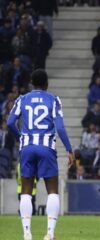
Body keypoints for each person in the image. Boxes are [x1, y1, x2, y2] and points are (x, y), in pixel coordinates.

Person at [7, 69, 74, 240]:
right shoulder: (54, 100)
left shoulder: (22, 99)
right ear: (46, 84)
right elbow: (59, 128)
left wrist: (21, 137)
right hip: (46, 148)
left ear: (32, 83)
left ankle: (27, 232)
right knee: (52, 191)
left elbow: (10, 122)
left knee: (26, 191)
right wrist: (69, 149)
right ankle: (50, 233)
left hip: (27, 148)